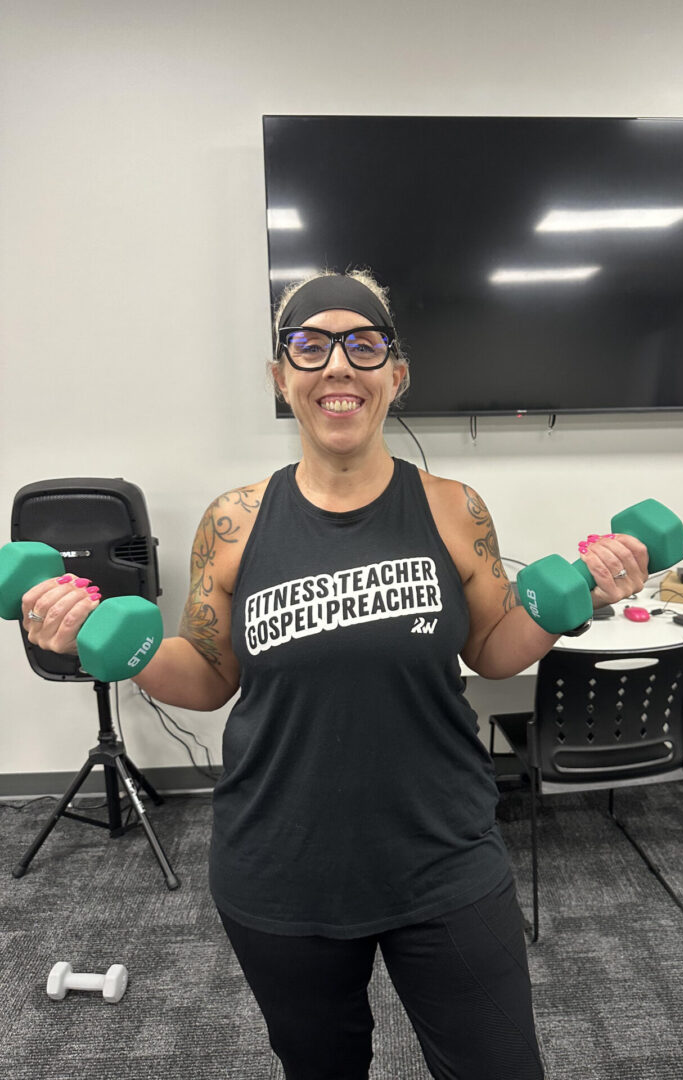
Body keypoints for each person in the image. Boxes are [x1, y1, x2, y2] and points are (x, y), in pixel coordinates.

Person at [21, 270, 649, 1080]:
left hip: (444, 854)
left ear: (398, 372)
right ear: (281, 378)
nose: (338, 366)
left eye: (364, 343)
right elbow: (208, 676)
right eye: (310, 345)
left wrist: (578, 600)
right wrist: (109, 647)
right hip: (282, 866)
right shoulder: (235, 521)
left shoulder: (455, 507)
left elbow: (493, 648)